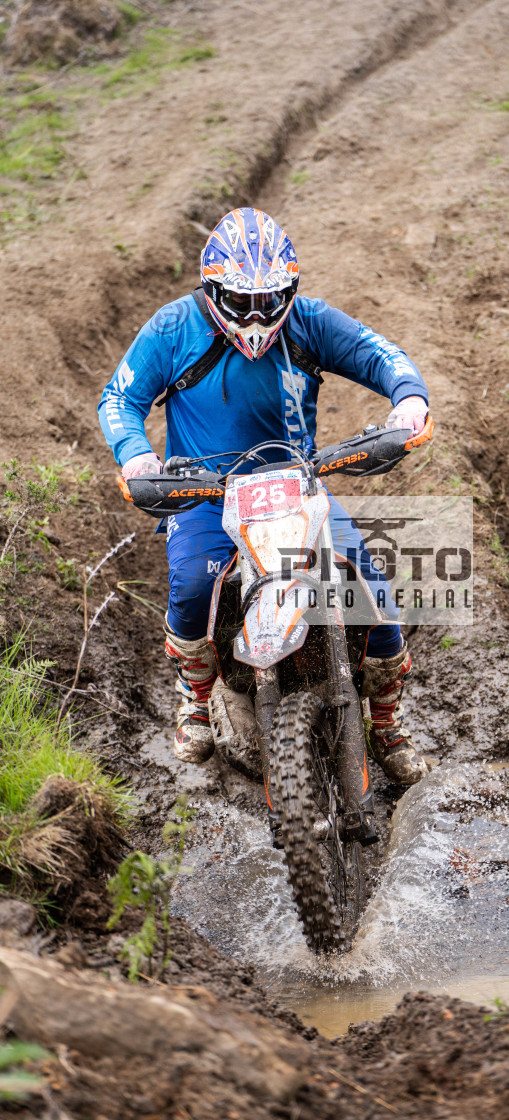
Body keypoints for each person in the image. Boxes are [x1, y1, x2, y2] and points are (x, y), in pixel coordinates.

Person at [98, 207, 431, 784]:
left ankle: (385, 724)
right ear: (212, 291)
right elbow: (118, 400)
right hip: (207, 494)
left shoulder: (309, 321)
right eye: (242, 302)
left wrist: (408, 400)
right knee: (196, 586)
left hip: (298, 488)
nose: (257, 315)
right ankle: (196, 698)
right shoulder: (173, 328)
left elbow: (382, 355)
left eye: (269, 300)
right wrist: (137, 455)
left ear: (290, 290)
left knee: (372, 595)